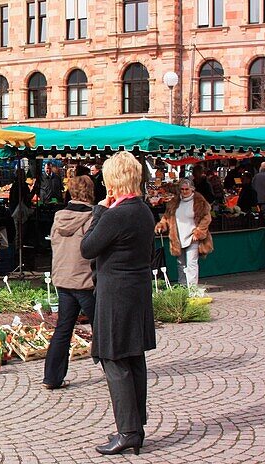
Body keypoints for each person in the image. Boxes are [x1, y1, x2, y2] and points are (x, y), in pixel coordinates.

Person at [80, 152, 156, 456]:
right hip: (136, 291)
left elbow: (87, 247)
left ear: (114, 179)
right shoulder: (143, 210)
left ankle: (127, 431)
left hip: (116, 293)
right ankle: (136, 426)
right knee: (134, 357)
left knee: (114, 359)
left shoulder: (116, 214)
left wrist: (99, 210)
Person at [44, 175, 96, 390]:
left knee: (63, 329)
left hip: (64, 279)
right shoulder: (94, 217)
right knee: (101, 328)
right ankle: (116, 373)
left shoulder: (59, 217)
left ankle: (52, 377)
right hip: (85, 281)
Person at [155, 179, 213, 288]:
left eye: (187, 189)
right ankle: (182, 286)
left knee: (191, 263)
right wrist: (161, 225)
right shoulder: (174, 203)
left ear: (192, 189)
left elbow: (206, 218)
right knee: (181, 264)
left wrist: (199, 231)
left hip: (192, 236)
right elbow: (166, 217)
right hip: (178, 236)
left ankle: (192, 289)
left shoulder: (199, 202)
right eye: (182, 189)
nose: (184, 191)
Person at [8, 168, 36, 272]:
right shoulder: (21, 186)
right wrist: (34, 190)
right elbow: (27, 198)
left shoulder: (15, 186)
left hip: (15, 213)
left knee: (19, 235)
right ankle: (18, 257)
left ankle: (18, 257)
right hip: (20, 213)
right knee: (20, 235)